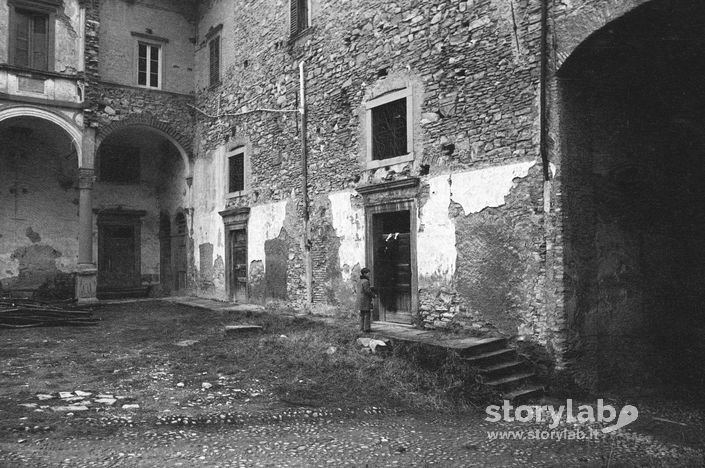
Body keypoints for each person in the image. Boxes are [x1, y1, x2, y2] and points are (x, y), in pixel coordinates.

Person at [357, 267, 376, 332]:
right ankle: (366, 329)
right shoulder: (366, 281)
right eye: (368, 273)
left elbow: (362, 288)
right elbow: (367, 291)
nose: (369, 275)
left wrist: (370, 287)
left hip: (360, 299)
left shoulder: (359, 280)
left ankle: (361, 328)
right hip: (365, 300)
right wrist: (374, 295)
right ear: (365, 273)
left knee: (362, 314)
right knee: (367, 314)